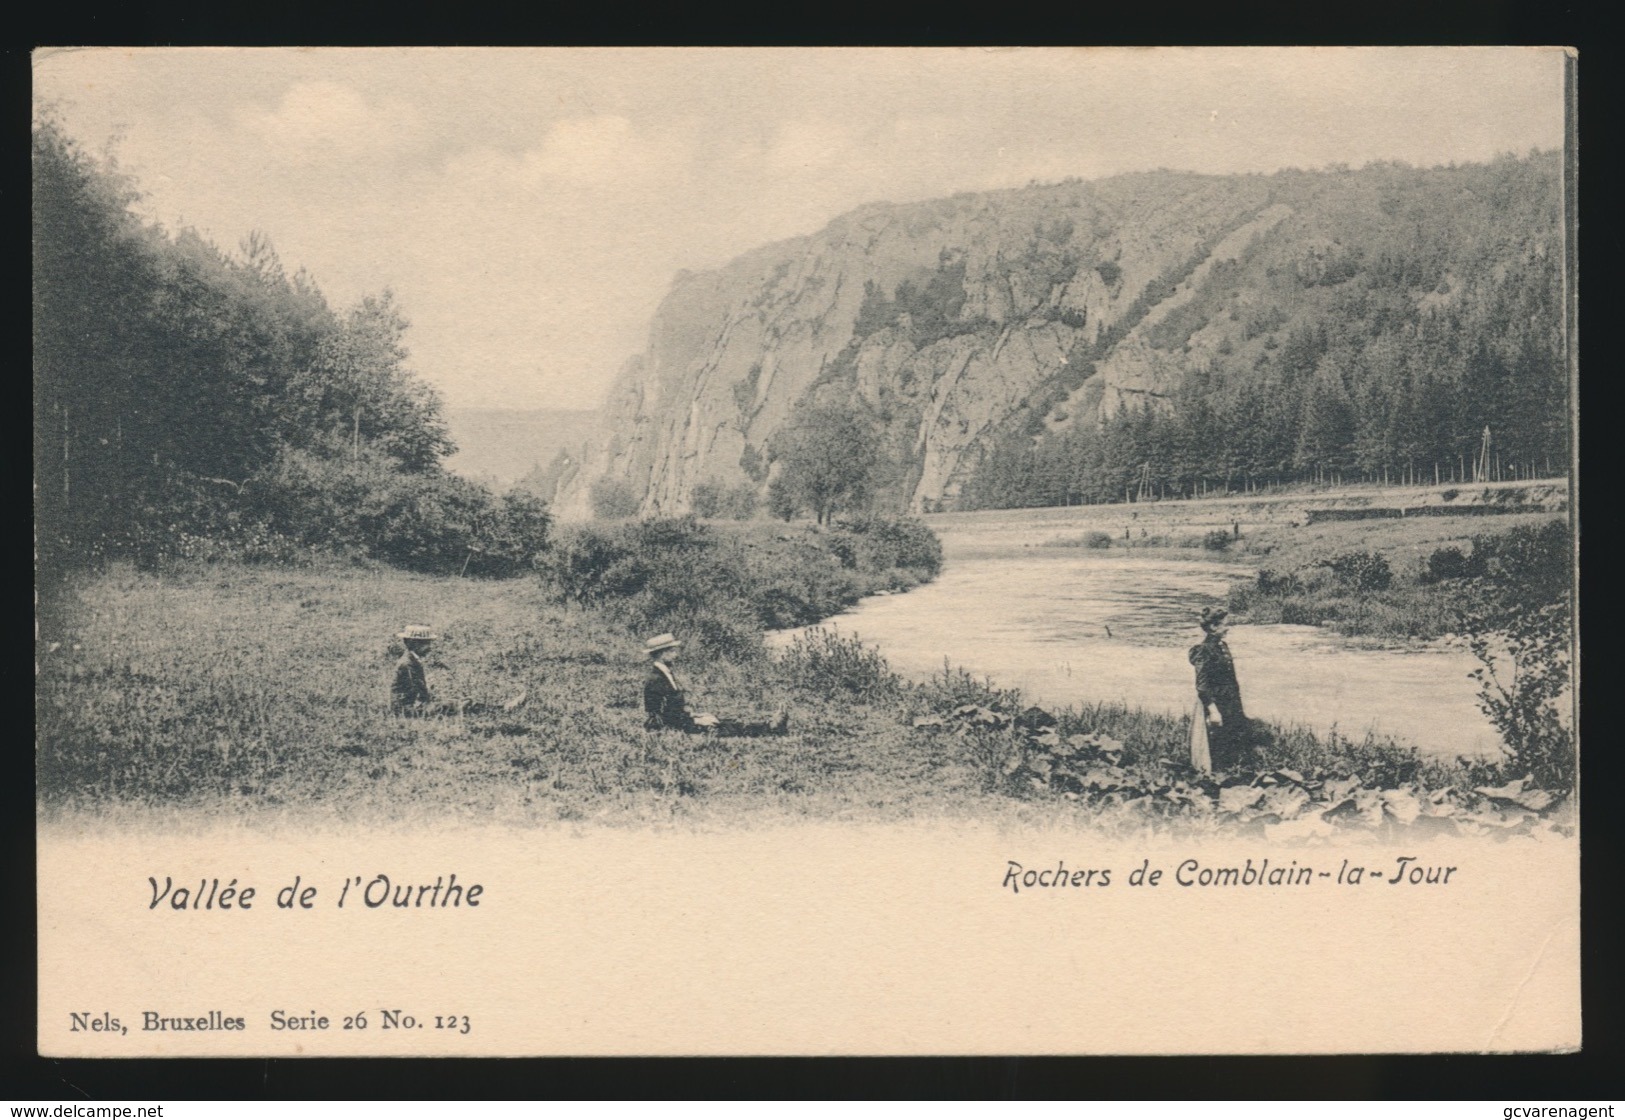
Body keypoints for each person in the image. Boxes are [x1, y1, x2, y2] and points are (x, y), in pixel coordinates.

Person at [642, 633, 787, 737]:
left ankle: (770, 725)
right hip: (675, 726)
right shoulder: (656, 679)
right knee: (722, 727)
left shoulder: (663, 674)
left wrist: (694, 715)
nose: (676, 655)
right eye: (672, 651)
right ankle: (770, 727)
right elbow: (659, 715)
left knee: (720, 721)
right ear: (662, 654)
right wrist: (694, 720)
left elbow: (670, 708)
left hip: (679, 721)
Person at [391, 624, 526, 717]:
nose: (429, 647)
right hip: (408, 710)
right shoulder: (408, 663)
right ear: (413, 643)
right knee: (458, 704)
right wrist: (436, 702)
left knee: (457, 701)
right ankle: (503, 709)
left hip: (409, 707)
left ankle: (499, 708)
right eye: (425, 643)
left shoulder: (410, 660)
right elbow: (420, 693)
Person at [1187, 607, 1252, 771]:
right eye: (1224, 624)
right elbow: (1201, 686)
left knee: (1235, 740)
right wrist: (1213, 710)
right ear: (1213, 627)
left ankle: (1233, 775)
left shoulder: (1222, 646)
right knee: (1216, 745)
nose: (1227, 627)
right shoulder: (1203, 650)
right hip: (1217, 704)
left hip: (1231, 702)